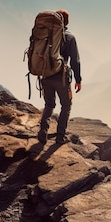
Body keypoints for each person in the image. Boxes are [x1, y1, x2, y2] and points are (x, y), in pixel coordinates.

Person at [37, 9, 82, 144]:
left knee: (49, 104)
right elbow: (75, 61)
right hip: (61, 78)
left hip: (45, 75)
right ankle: (60, 137)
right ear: (66, 22)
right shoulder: (69, 37)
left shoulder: (45, 36)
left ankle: (43, 131)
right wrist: (78, 80)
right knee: (66, 105)